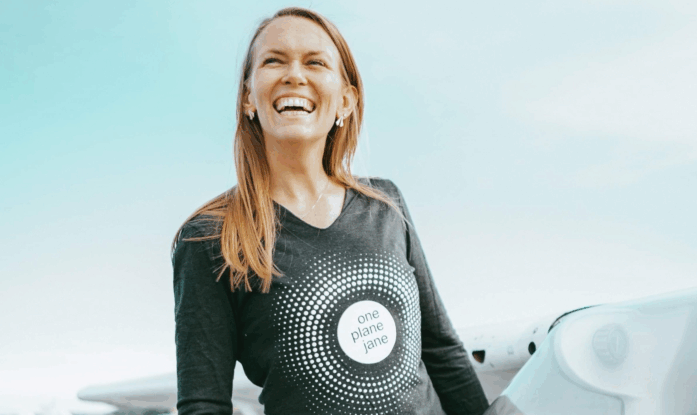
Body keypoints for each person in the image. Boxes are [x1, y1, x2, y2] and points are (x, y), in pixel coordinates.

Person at [172, 7, 489, 415]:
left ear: (345, 100)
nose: (294, 75)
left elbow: (443, 351)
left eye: (315, 62)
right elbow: (204, 404)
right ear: (248, 96)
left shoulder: (387, 206)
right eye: (273, 60)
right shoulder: (210, 236)